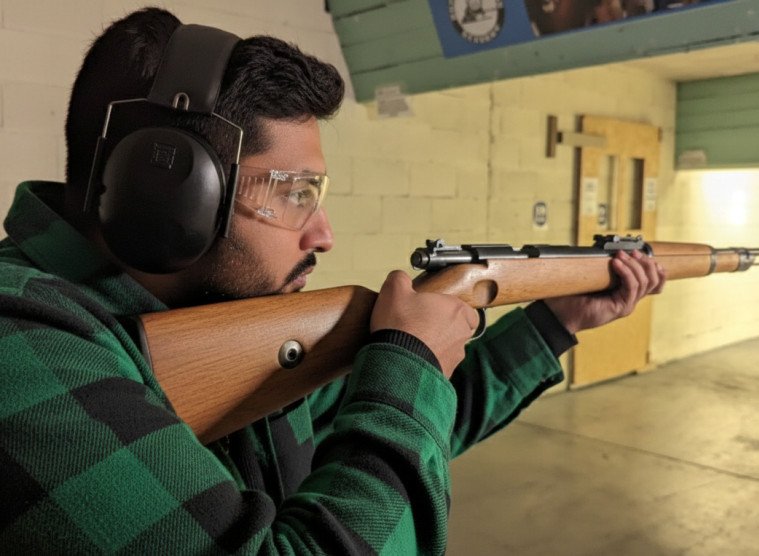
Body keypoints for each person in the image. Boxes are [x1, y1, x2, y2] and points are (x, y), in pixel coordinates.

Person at [0, 7, 666, 555]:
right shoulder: (20, 347)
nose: (323, 234)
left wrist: (558, 322)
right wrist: (408, 361)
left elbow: (388, 435)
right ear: (170, 195)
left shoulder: (220, 324)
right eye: (294, 194)